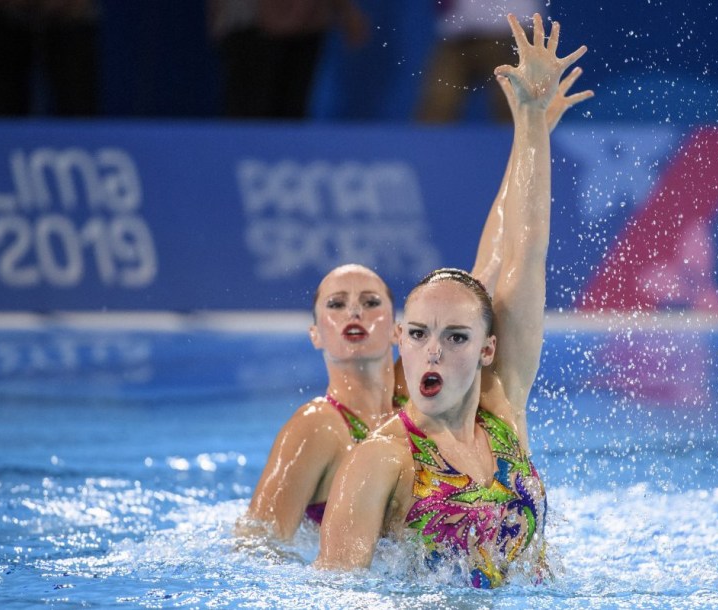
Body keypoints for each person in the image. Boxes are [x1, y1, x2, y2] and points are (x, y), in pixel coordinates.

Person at [237, 18, 592, 544]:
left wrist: (530, 130)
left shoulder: (456, 392)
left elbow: (505, 256)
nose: (354, 314)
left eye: (370, 301)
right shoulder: (338, 435)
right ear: (314, 332)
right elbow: (261, 549)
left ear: (395, 327)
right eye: (336, 304)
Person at [206, 0, 369, 119]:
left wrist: (346, 10)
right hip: (249, 22)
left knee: (292, 110)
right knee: (251, 110)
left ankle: (281, 159)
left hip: (307, 20)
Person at [416, 0, 542, 123]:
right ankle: (426, 144)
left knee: (515, 110)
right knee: (436, 109)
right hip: (456, 37)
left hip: (507, 34)